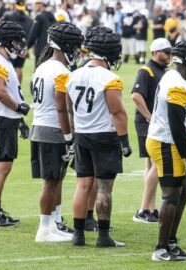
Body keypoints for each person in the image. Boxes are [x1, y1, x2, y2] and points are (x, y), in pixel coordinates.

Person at [66, 30, 131, 247]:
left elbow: (68, 109)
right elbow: (117, 112)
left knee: (82, 185)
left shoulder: (74, 74)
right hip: (104, 135)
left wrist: (74, 132)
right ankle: (103, 237)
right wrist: (124, 141)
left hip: (82, 134)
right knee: (104, 187)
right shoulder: (110, 78)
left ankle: (78, 235)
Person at [146, 40, 186, 261]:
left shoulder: (172, 77)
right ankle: (161, 249)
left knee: (185, 188)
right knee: (171, 195)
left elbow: (179, 123)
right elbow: (174, 123)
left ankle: (171, 241)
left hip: (166, 139)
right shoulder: (177, 85)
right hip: (166, 142)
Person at [30, 23, 83, 242]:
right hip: (53, 128)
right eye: (74, 45)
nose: (77, 50)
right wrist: (69, 136)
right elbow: (62, 108)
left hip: (41, 125)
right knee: (51, 181)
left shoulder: (42, 67)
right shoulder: (60, 71)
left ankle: (53, 223)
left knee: (56, 178)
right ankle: (44, 229)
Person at [0, 21, 30, 227]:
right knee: (3, 165)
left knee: (2, 165)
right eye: (17, 41)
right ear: (8, 41)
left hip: (6, 118)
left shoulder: (4, 60)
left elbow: (9, 92)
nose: (19, 45)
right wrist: (19, 109)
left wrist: (20, 120)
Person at [131, 38, 172, 223]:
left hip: (156, 123)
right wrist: (150, 117)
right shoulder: (146, 71)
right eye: (166, 52)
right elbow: (136, 96)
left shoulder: (163, 71)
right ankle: (143, 210)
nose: (169, 55)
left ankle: (150, 208)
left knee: (151, 166)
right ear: (156, 52)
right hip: (148, 123)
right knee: (157, 165)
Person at [3, 0, 33, 83]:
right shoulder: (30, 20)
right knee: (19, 67)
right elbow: (30, 35)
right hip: (23, 47)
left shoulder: (8, 16)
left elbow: (3, 29)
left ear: (16, 5)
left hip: (11, 46)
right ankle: (18, 86)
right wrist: (26, 47)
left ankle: (10, 85)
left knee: (9, 67)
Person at [27, 0, 56, 68]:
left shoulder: (39, 17)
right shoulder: (53, 17)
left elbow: (33, 35)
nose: (34, 6)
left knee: (38, 73)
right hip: (51, 51)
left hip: (41, 52)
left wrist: (26, 47)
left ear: (41, 4)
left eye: (36, 4)